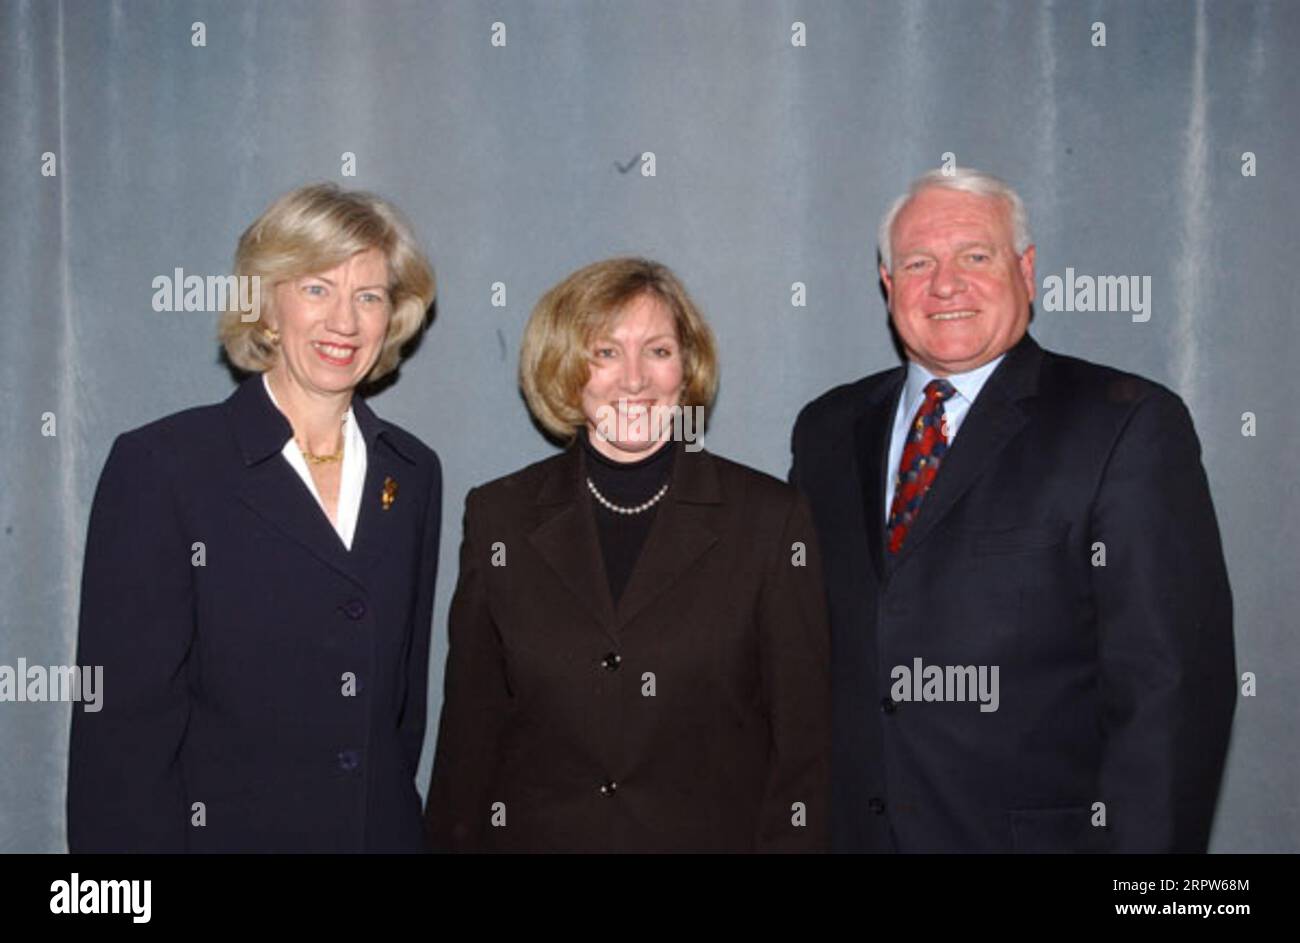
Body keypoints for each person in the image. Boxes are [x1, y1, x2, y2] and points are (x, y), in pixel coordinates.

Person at [791, 168, 1236, 852]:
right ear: (888, 284)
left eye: (975, 255)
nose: (945, 284)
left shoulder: (1125, 426)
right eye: (918, 262)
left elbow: (1169, 699)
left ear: (1026, 272)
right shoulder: (827, 430)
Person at [67, 183, 441, 852]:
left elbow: (400, 717)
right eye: (317, 288)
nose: (345, 323)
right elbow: (119, 741)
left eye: (369, 296)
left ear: (395, 317)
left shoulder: (412, 474)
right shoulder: (164, 467)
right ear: (266, 304)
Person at [424, 257, 830, 852]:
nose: (633, 380)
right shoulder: (499, 518)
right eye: (605, 352)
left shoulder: (769, 521)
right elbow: (469, 740)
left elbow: (804, 752)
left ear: (687, 367)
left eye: (658, 351)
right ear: (564, 367)